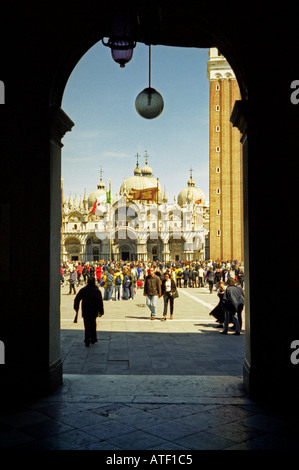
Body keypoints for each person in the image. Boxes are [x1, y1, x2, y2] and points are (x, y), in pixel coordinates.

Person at [73, 276, 104, 347]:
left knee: (86, 325)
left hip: (85, 310)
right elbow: (100, 302)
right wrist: (101, 311)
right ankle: (93, 338)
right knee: (93, 324)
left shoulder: (83, 290)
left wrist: (76, 307)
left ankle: (87, 340)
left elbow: (77, 299)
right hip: (94, 310)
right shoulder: (97, 291)